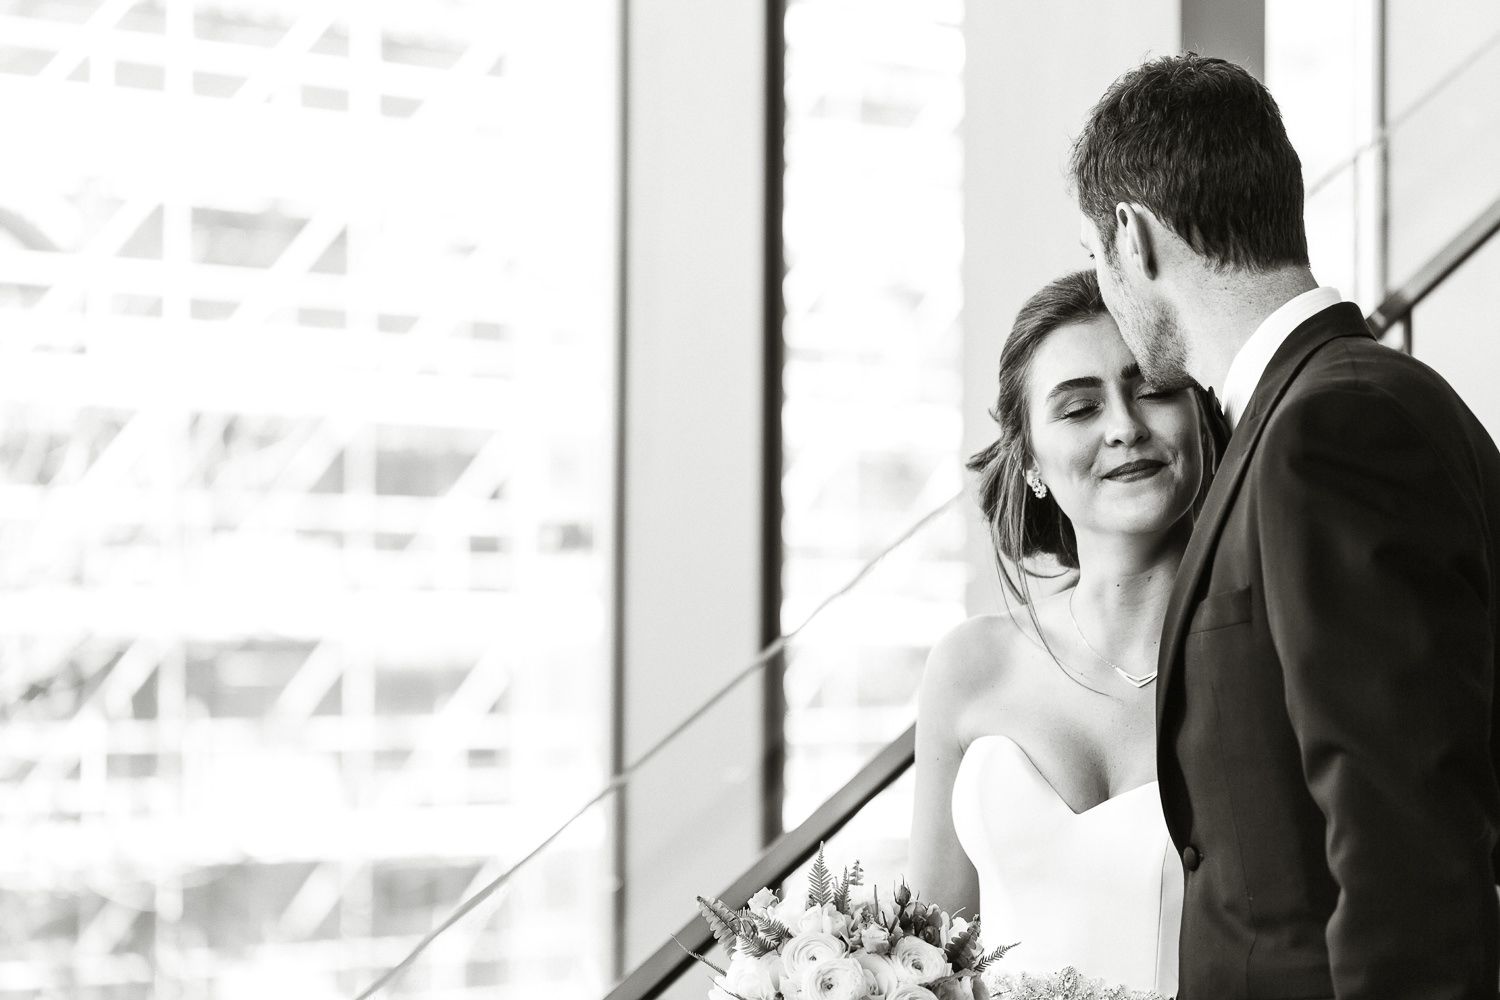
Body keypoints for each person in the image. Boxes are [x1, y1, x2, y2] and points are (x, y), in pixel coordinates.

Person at [1073, 54, 1500, 999]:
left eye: (1096, 258)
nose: (1104, 286)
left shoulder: (1330, 429)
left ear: (1133, 238)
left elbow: (1403, 843)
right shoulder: (1338, 404)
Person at [910, 269, 1221, 996]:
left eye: (1151, 389)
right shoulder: (969, 666)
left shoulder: (1271, 656)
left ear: (1201, 418)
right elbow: (920, 966)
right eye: (1079, 408)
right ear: (1030, 462)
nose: (1124, 426)